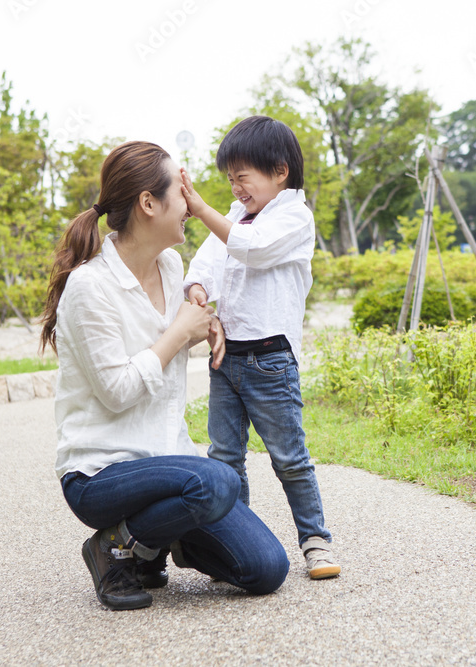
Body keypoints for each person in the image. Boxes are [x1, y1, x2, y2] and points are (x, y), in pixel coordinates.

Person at [40, 140, 289, 611]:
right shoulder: (91, 287)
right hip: (101, 473)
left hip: (169, 464)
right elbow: (116, 392)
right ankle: (113, 544)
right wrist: (179, 333)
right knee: (218, 481)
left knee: (265, 568)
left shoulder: (171, 265)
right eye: (182, 192)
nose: (192, 206)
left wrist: (204, 326)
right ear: (148, 204)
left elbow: (173, 337)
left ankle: (153, 543)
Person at [180, 116, 340, 579]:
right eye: (229, 179)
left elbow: (254, 249)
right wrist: (196, 288)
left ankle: (315, 540)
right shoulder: (234, 216)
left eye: (242, 177)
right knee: (225, 458)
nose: (235, 189)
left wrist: (201, 207)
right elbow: (207, 260)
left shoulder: (293, 217)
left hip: (270, 358)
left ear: (280, 171)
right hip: (225, 359)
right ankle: (237, 541)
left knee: (290, 460)